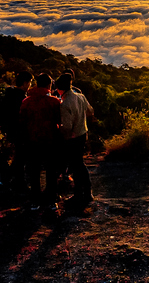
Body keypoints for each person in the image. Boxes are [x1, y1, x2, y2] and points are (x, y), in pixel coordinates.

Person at [19, 73, 62, 210]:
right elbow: (59, 121)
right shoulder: (54, 102)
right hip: (50, 140)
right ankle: (51, 200)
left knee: (34, 171)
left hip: (32, 140)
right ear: (49, 85)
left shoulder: (26, 102)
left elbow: (22, 122)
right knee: (51, 171)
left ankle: (35, 200)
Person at [57, 72, 95, 208]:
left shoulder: (65, 104)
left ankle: (80, 194)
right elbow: (90, 111)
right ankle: (87, 192)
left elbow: (66, 127)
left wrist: (60, 131)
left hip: (72, 137)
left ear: (60, 89)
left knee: (76, 165)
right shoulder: (81, 97)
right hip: (83, 133)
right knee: (79, 164)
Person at [0, 71, 33, 190]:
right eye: (30, 82)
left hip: (11, 130)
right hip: (21, 131)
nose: (30, 85)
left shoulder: (9, 94)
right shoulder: (21, 98)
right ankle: (18, 182)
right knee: (21, 157)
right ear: (25, 83)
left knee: (19, 156)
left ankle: (10, 179)